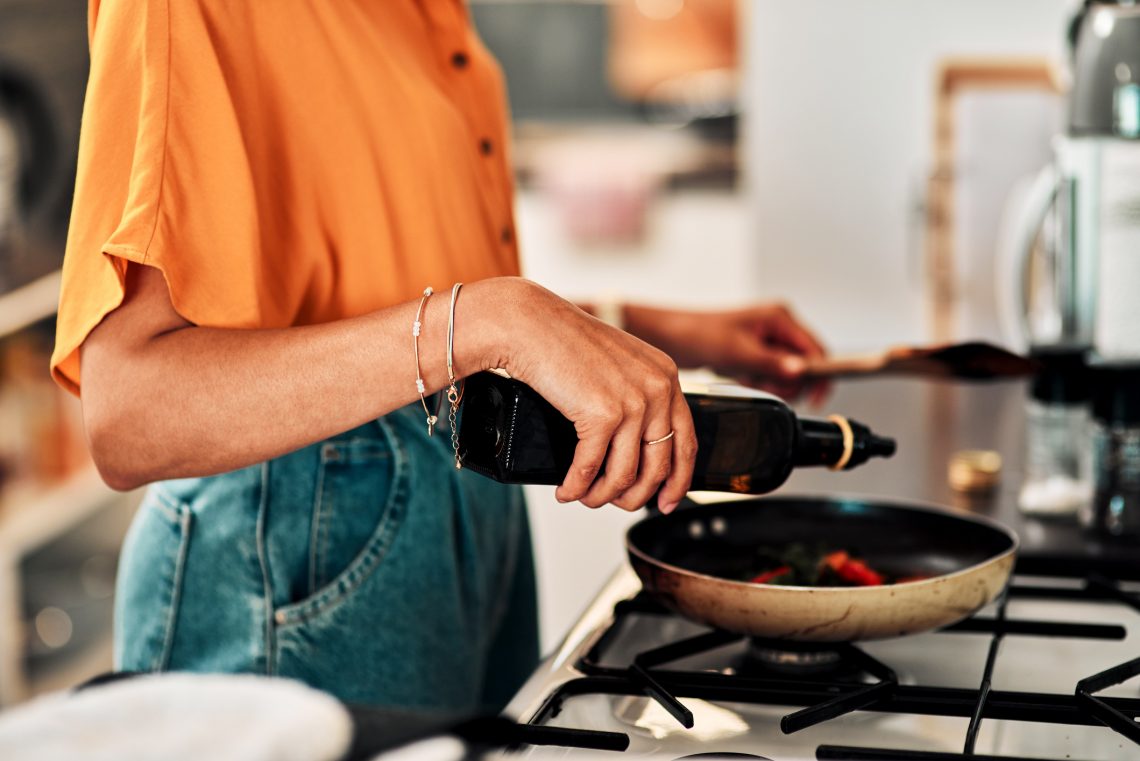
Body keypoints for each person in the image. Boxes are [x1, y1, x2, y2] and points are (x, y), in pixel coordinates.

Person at [51, 0, 826, 714]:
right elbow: (130, 411)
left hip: (463, 509)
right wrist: (493, 319)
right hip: (297, 551)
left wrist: (655, 329)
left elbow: (410, 296)